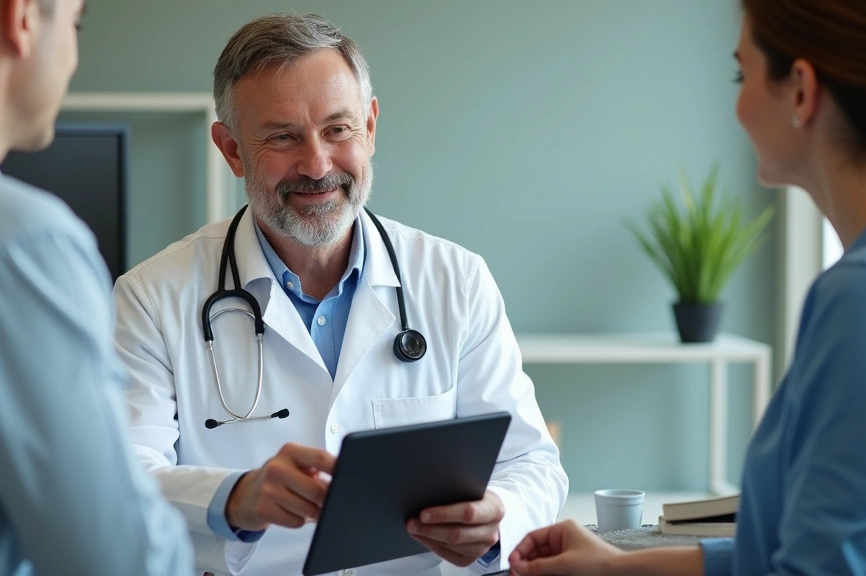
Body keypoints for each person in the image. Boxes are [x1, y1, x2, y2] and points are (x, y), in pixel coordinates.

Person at [113, 12, 568, 576]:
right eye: (282, 137)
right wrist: (234, 498)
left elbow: (530, 461)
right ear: (231, 149)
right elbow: (117, 480)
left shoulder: (457, 280)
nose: (317, 164)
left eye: (338, 129)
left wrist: (497, 517)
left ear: (370, 128)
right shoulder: (152, 298)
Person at [508, 1, 866, 575]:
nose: (737, 104)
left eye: (743, 73)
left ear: (801, 92)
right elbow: (802, 549)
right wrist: (616, 566)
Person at [0, 1, 193, 575]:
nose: (72, 57)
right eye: (74, 23)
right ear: (20, 19)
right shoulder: (17, 246)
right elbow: (119, 560)